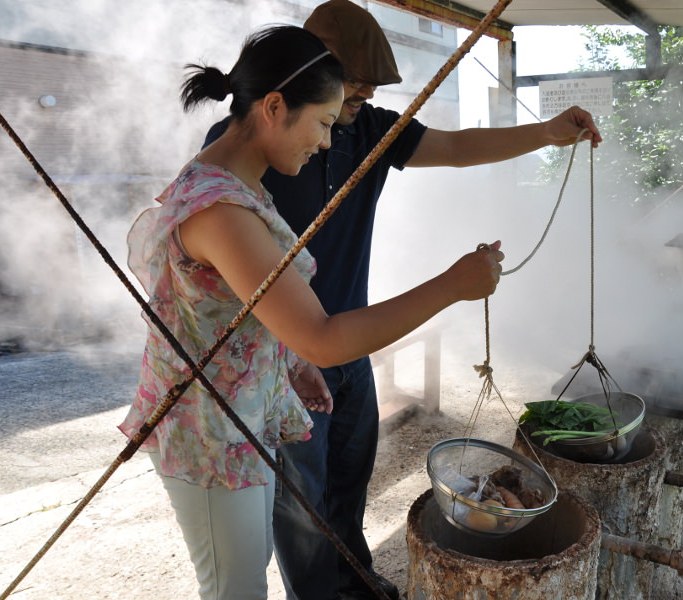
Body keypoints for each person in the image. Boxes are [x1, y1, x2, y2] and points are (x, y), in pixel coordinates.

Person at [206, 3, 601, 599]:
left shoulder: (366, 130)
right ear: (288, 95)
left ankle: (354, 580)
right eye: (337, 103)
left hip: (350, 339)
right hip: (285, 353)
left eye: (359, 98)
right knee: (300, 504)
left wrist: (546, 133)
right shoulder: (242, 155)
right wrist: (448, 286)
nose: (342, 119)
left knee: (349, 478)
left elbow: (457, 145)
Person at [119, 24, 504, 600]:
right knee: (236, 589)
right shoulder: (223, 209)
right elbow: (324, 338)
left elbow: (235, 310)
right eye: (324, 123)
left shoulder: (241, 187)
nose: (327, 142)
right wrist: (452, 284)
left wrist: (281, 359)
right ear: (275, 107)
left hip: (236, 414)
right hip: (209, 436)